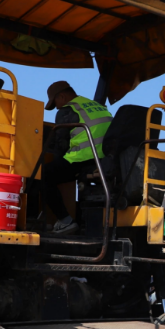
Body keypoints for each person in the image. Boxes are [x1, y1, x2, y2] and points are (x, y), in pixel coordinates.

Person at [43, 81, 113, 235]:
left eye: (56, 104)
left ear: (62, 96)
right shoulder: (97, 106)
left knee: (43, 175)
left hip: (83, 158)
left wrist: (54, 159)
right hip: (105, 159)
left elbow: (61, 144)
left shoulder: (68, 110)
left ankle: (65, 221)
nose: (57, 108)